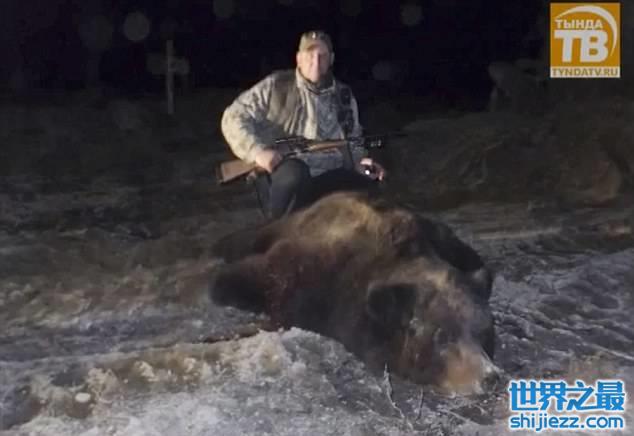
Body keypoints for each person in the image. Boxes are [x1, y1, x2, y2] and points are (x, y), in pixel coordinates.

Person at [221, 30, 386, 219]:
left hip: (328, 172)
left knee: (367, 186)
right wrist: (257, 152)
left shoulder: (344, 95)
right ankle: (279, 229)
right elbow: (233, 116)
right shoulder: (275, 85)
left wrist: (360, 161)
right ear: (298, 59)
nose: (316, 61)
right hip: (286, 173)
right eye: (310, 55)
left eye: (322, 55)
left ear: (331, 59)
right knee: (294, 175)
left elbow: (354, 137)